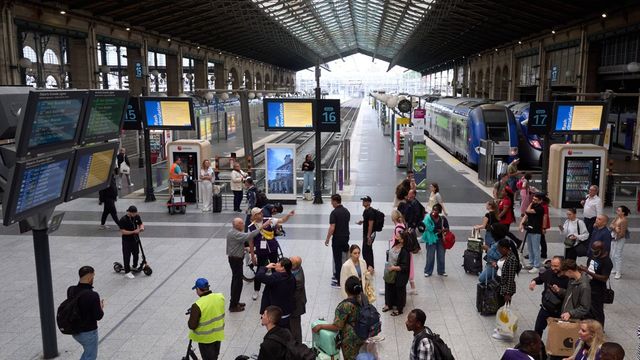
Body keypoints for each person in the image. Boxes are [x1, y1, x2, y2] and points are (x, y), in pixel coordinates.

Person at [312, 276, 366, 360]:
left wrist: (321, 326)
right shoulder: (363, 299)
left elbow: (337, 326)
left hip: (350, 339)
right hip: (362, 334)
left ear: (346, 289)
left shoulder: (345, 306)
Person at [249, 207, 295, 300]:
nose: (261, 214)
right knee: (260, 270)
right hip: (261, 251)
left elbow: (281, 220)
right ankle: (256, 290)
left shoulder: (269, 220)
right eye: (258, 213)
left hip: (272, 249)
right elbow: (251, 241)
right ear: (254, 216)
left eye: (261, 212)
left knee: (276, 267)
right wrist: (253, 255)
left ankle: (277, 285)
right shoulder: (251, 227)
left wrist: (288, 215)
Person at [66, 266, 104, 360]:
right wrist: (100, 307)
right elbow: (98, 316)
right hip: (88, 333)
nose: (93, 279)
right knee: (90, 356)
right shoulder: (93, 295)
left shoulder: (71, 289)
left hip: (75, 330)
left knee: (87, 354)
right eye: (93, 276)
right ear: (89, 277)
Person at [226, 218, 260, 312]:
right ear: (237, 225)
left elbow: (236, 245)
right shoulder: (235, 233)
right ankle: (233, 306)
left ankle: (235, 302)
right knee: (237, 283)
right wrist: (262, 227)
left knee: (236, 281)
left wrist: (245, 249)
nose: (243, 224)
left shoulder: (232, 232)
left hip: (235, 259)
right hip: (235, 260)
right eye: (241, 223)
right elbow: (250, 235)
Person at [529, 256, 569, 336]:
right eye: (552, 266)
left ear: (563, 265)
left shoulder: (568, 278)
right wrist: (534, 281)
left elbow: (571, 295)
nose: (553, 268)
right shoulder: (549, 272)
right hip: (546, 308)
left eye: (556, 266)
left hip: (559, 311)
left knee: (557, 335)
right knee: (537, 330)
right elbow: (540, 278)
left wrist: (559, 290)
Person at [188, 278, 225, 360]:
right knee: (215, 356)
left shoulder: (197, 305)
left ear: (198, 289)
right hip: (218, 335)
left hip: (205, 340)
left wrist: (193, 314)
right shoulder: (220, 297)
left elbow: (192, 325)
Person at [255, 257, 296, 329]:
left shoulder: (276, 278)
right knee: (286, 330)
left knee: (276, 332)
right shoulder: (291, 277)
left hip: (276, 313)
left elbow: (259, 276)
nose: (276, 264)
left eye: (278, 263)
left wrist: (266, 267)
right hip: (287, 311)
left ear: (283, 268)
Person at [579, 241, 613, 328]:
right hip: (589, 286)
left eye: (596, 251)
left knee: (597, 311)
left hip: (598, 290)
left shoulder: (607, 262)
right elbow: (590, 268)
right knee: (588, 308)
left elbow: (604, 278)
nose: (593, 252)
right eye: (592, 250)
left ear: (601, 250)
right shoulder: (593, 256)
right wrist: (584, 269)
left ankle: (600, 328)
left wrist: (588, 272)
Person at [325, 194, 350, 288]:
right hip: (346, 237)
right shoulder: (346, 211)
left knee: (337, 259)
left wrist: (327, 239)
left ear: (335, 201)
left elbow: (332, 227)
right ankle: (342, 276)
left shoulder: (334, 213)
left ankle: (339, 281)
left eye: (332, 201)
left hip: (337, 238)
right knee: (344, 258)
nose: (331, 203)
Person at [383, 231, 411, 316]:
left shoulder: (405, 251)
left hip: (399, 275)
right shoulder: (395, 245)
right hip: (390, 273)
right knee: (388, 288)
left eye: (398, 236)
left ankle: (399, 309)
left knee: (399, 291)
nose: (396, 236)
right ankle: (388, 304)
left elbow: (404, 266)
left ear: (402, 240)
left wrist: (393, 268)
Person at [519, 192, 544, 273]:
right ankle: (531, 263)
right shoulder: (533, 206)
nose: (533, 201)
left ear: (540, 201)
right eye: (533, 199)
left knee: (535, 249)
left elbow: (527, 211)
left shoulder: (540, 208)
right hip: (529, 229)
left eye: (536, 200)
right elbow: (526, 215)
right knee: (530, 248)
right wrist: (521, 224)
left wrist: (530, 204)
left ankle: (536, 266)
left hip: (536, 231)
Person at [118, 205, 144, 279]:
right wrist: (133, 231)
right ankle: (127, 272)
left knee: (136, 253)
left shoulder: (136, 216)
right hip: (127, 240)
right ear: (129, 212)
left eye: (135, 213)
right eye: (133, 213)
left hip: (135, 239)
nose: (134, 215)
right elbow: (122, 231)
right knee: (127, 255)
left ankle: (134, 266)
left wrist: (141, 228)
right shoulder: (123, 219)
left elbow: (140, 223)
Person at [422, 204, 448, 277]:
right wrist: (436, 230)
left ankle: (441, 271)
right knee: (430, 256)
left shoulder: (442, 218)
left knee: (441, 256)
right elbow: (428, 227)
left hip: (440, 239)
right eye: (433, 209)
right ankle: (428, 271)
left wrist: (442, 230)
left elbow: (447, 228)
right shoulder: (428, 218)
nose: (434, 211)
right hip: (431, 239)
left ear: (439, 211)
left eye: (436, 210)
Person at [495, 239, 518, 310]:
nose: (498, 251)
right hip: (499, 282)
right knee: (499, 304)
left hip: (505, 287)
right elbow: (503, 267)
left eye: (499, 249)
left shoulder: (512, 259)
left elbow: (511, 277)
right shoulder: (504, 255)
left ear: (504, 248)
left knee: (504, 307)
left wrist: (508, 293)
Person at [608, 205, 629, 279]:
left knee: (617, 255)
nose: (617, 211)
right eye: (617, 210)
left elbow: (622, 233)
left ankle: (618, 272)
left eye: (619, 210)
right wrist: (615, 228)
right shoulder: (617, 217)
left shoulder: (624, 220)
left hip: (619, 239)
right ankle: (614, 269)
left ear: (623, 213)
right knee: (612, 254)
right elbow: (610, 225)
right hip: (613, 238)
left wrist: (616, 232)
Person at [289, 256, 307, 344]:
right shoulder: (298, 268)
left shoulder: (297, 279)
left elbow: (293, 295)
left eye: (290, 262)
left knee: (295, 327)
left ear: (293, 266)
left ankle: (297, 345)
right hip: (296, 304)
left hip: (296, 306)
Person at [356, 196, 376, 269]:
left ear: (369, 202)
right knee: (368, 250)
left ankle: (368, 266)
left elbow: (371, 225)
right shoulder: (366, 211)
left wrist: (368, 236)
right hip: (367, 234)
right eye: (363, 200)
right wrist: (362, 222)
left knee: (365, 251)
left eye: (365, 201)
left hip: (369, 235)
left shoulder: (370, 212)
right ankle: (370, 266)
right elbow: (367, 221)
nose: (363, 202)